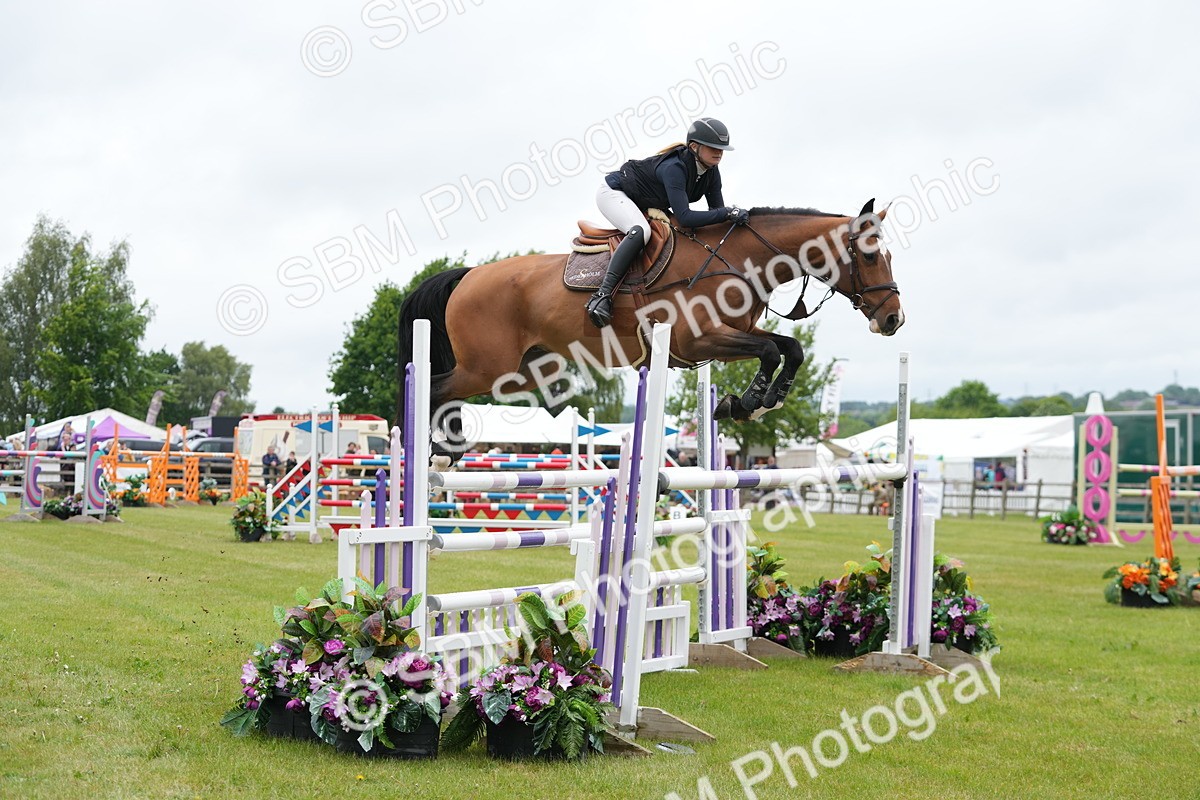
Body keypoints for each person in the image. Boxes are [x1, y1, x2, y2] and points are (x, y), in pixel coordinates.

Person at [585, 117, 749, 327]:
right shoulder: (675, 168)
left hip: (645, 200)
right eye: (713, 147)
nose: (719, 152)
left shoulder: (711, 172)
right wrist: (727, 213)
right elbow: (686, 217)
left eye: (722, 148)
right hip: (614, 193)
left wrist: (735, 219)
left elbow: (717, 215)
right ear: (694, 147)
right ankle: (602, 295)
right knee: (640, 231)